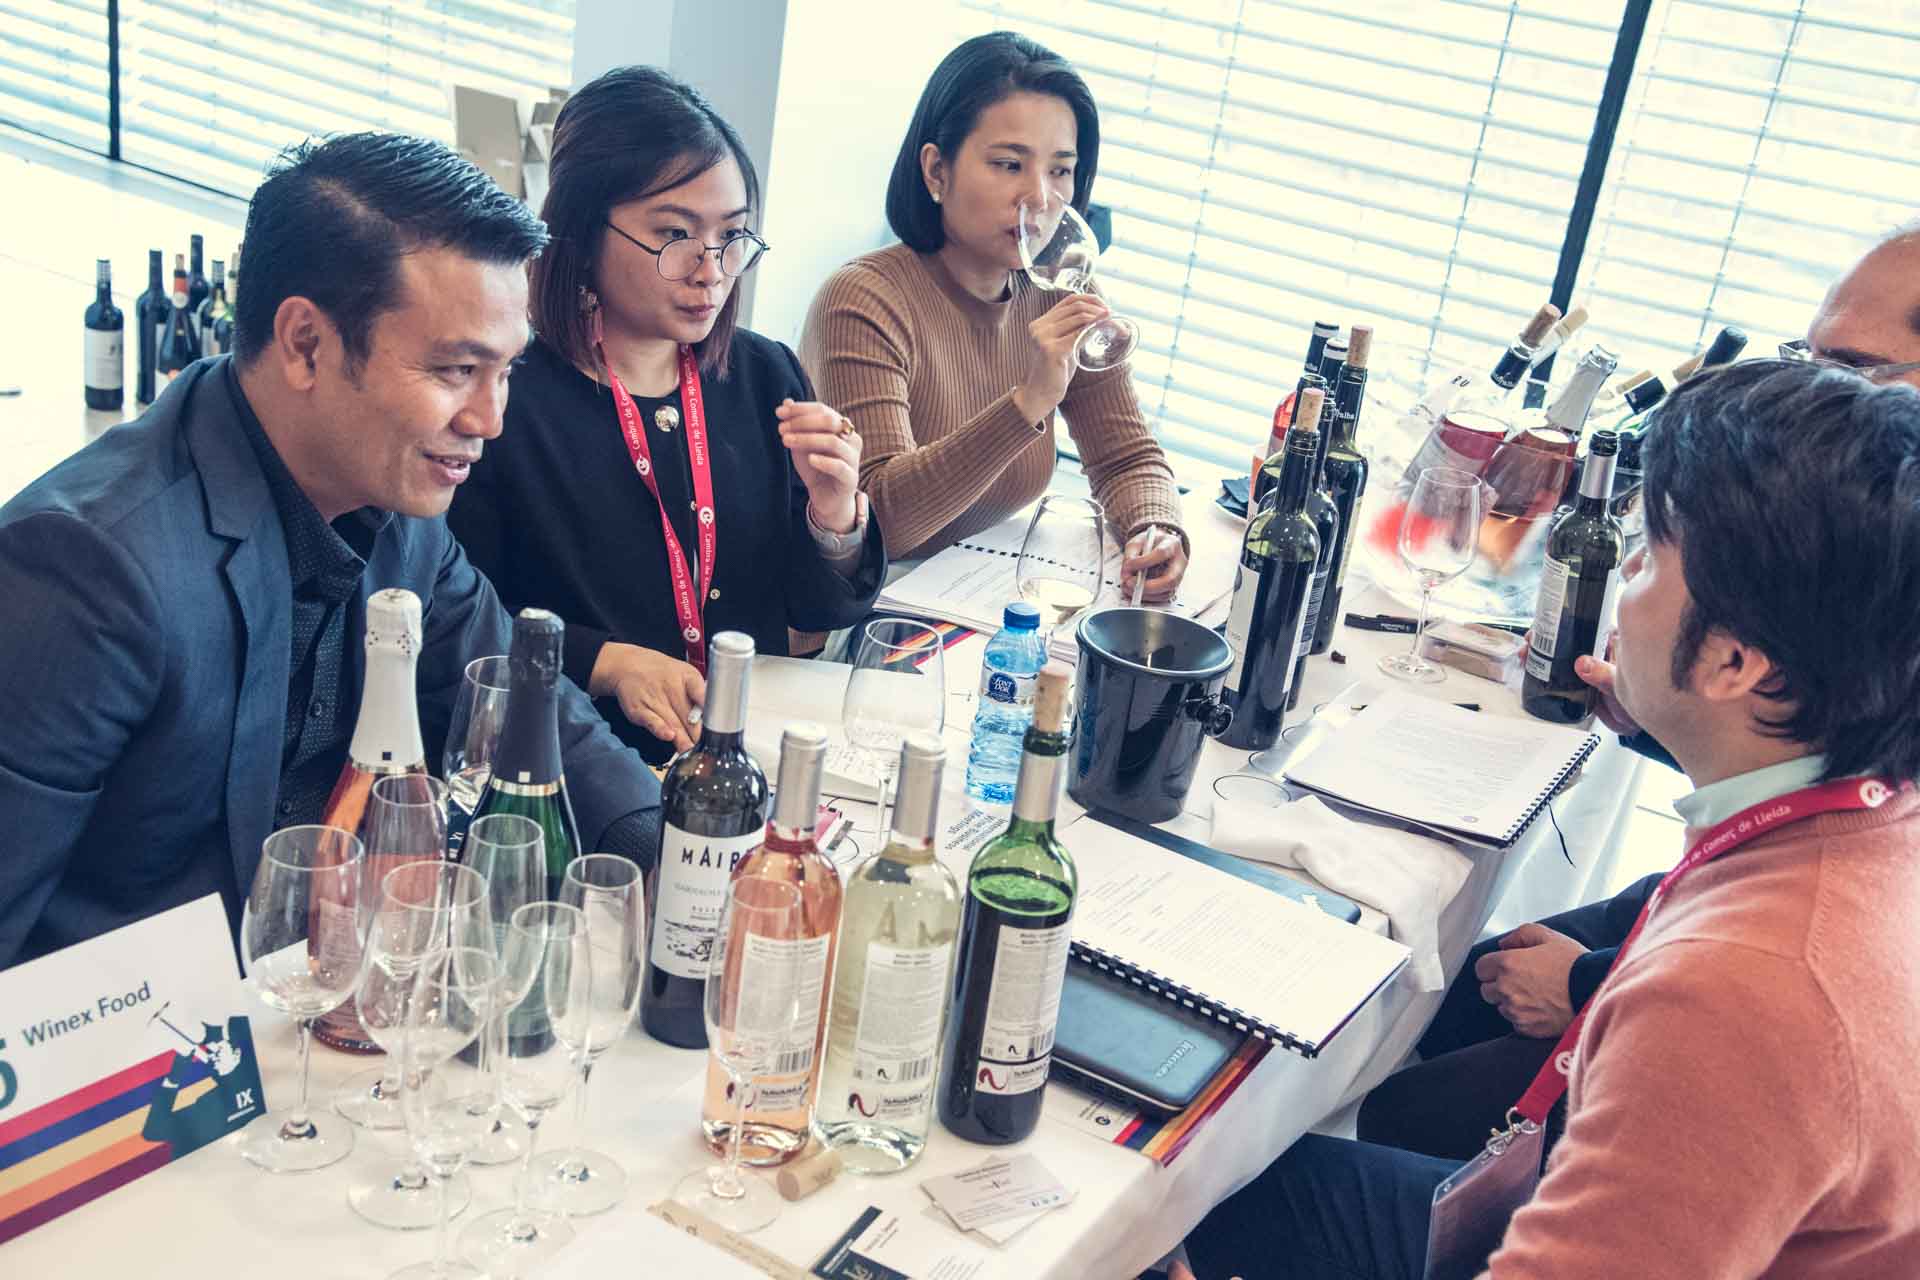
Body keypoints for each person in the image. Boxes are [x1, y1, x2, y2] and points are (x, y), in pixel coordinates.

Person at [1181, 357, 1920, 1278]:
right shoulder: (1875, 806)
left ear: (1735, 666)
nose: (1623, 576)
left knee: (1215, 1190)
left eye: (1650, 558)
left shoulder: (1740, 995)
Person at [0, 133, 661, 968]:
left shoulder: (402, 508)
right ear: (306, 344)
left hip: (341, 987)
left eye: (505, 372)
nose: (489, 419)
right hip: (145, 1032)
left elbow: (522, 698)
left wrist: (668, 853)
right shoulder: (88, 568)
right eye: (456, 370)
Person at [1358, 221, 1920, 1161]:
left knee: (1402, 1110)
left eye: (1853, 369)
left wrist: (1590, 986)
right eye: (1809, 357)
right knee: (1451, 989)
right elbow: (1819, 732)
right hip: (1740, 884)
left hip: (1774, 975)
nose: (1815, 392)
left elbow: (1818, 937)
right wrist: (1662, 709)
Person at [448, 67, 885, 765]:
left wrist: (835, 520)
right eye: (676, 234)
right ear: (583, 231)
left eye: (732, 236)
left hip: (743, 756)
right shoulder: (506, 397)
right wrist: (604, 662)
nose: (710, 270)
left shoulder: (762, 374)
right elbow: (456, 614)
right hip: (577, 757)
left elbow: (819, 612)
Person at [798, 31, 1189, 599]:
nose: (1040, 198)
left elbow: (1126, 457)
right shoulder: (862, 300)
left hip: (981, 596)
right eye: (1009, 164)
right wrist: (1028, 402)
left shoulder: (1058, 289)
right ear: (936, 171)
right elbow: (882, 524)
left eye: (1060, 171)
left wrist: (1155, 530)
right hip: (873, 612)